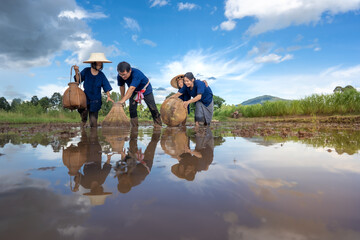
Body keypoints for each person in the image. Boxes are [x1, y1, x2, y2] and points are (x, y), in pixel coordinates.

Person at [73, 52, 114, 128]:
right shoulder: (86, 71)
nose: (100, 66)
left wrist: (108, 96)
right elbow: (77, 81)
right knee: (84, 112)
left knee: (93, 122)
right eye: (98, 64)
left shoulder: (101, 75)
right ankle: (83, 123)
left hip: (96, 100)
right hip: (85, 98)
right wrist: (76, 71)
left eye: (101, 64)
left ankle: (93, 135)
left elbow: (106, 86)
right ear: (93, 63)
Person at [117, 61, 162, 128]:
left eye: (124, 74)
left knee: (152, 107)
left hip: (145, 89)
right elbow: (122, 86)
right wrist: (122, 98)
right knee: (132, 109)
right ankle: (134, 126)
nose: (123, 76)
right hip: (134, 91)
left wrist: (123, 100)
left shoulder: (137, 74)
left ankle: (158, 125)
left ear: (130, 70)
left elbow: (131, 88)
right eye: (121, 74)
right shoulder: (120, 76)